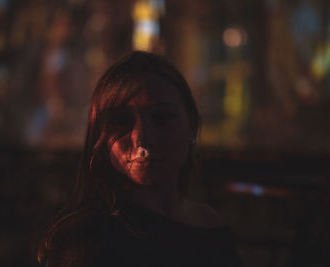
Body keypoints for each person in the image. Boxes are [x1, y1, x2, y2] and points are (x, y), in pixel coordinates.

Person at [38, 51, 244, 266]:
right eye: (121, 120)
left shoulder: (209, 224)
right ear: (99, 133)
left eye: (162, 118)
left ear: (191, 126)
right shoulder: (86, 240)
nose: (142, 139)